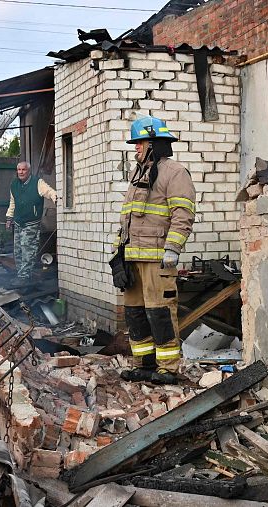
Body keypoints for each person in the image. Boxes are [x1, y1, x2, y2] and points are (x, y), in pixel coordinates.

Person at [114, 116, 196, 385]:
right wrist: (118, 255)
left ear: (154, 143)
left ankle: (167, 368)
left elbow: (183, 213)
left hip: (157, 260)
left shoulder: (175, 173)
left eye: (140, 142)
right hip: (132, 259)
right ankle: (144, 365)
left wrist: (173, 248)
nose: (136, 147)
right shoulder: (138, 174)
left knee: (160, 314)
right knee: (135, 314)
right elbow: (127, 220)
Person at [5, 161, 58, 285]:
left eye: (24, 170)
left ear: (29, 171)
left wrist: (55, 197)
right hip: (18, 222)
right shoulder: (14, 184)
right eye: (19, 170)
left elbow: (49, 191)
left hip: (31, 223)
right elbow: (12, 203)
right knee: (18, 250)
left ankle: (24, 278)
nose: (21, 172)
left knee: (27, 249)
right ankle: (21, 275)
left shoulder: (37, 183)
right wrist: (9, 218)